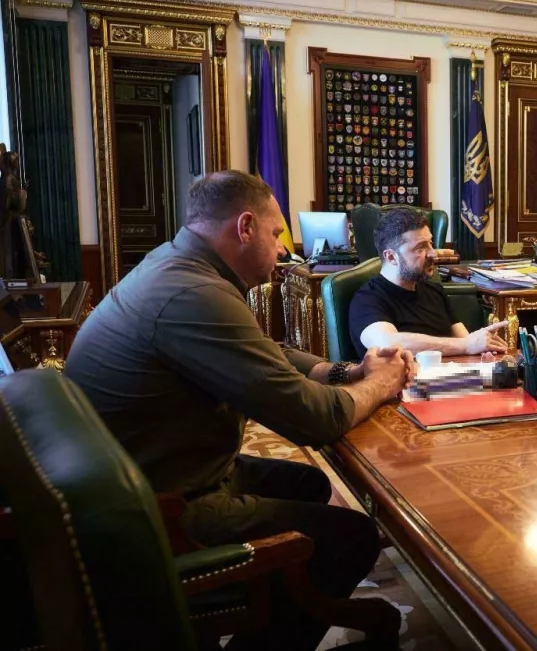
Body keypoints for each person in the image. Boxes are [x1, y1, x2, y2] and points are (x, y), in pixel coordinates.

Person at [64, 170, 414, 650]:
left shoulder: (176, 265)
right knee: (352, 536)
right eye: (276, 236)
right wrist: (381, 382)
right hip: (155, 514)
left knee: (309, 483)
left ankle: (273, 597)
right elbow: (316, 421)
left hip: (143, 478)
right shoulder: (194, 295)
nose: (281, 252)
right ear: (245, 227)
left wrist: (344, 371)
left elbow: (260, 349)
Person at [350, 207, 508, 356]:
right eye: (420, 248)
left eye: (430, 243)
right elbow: (388, 344)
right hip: (403, 383)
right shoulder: (367, 299)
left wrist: (482, 347)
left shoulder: (435, 291)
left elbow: (466, 339)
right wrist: (466, 345)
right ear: (391, 257)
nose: (433, 253)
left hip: (453, 379)